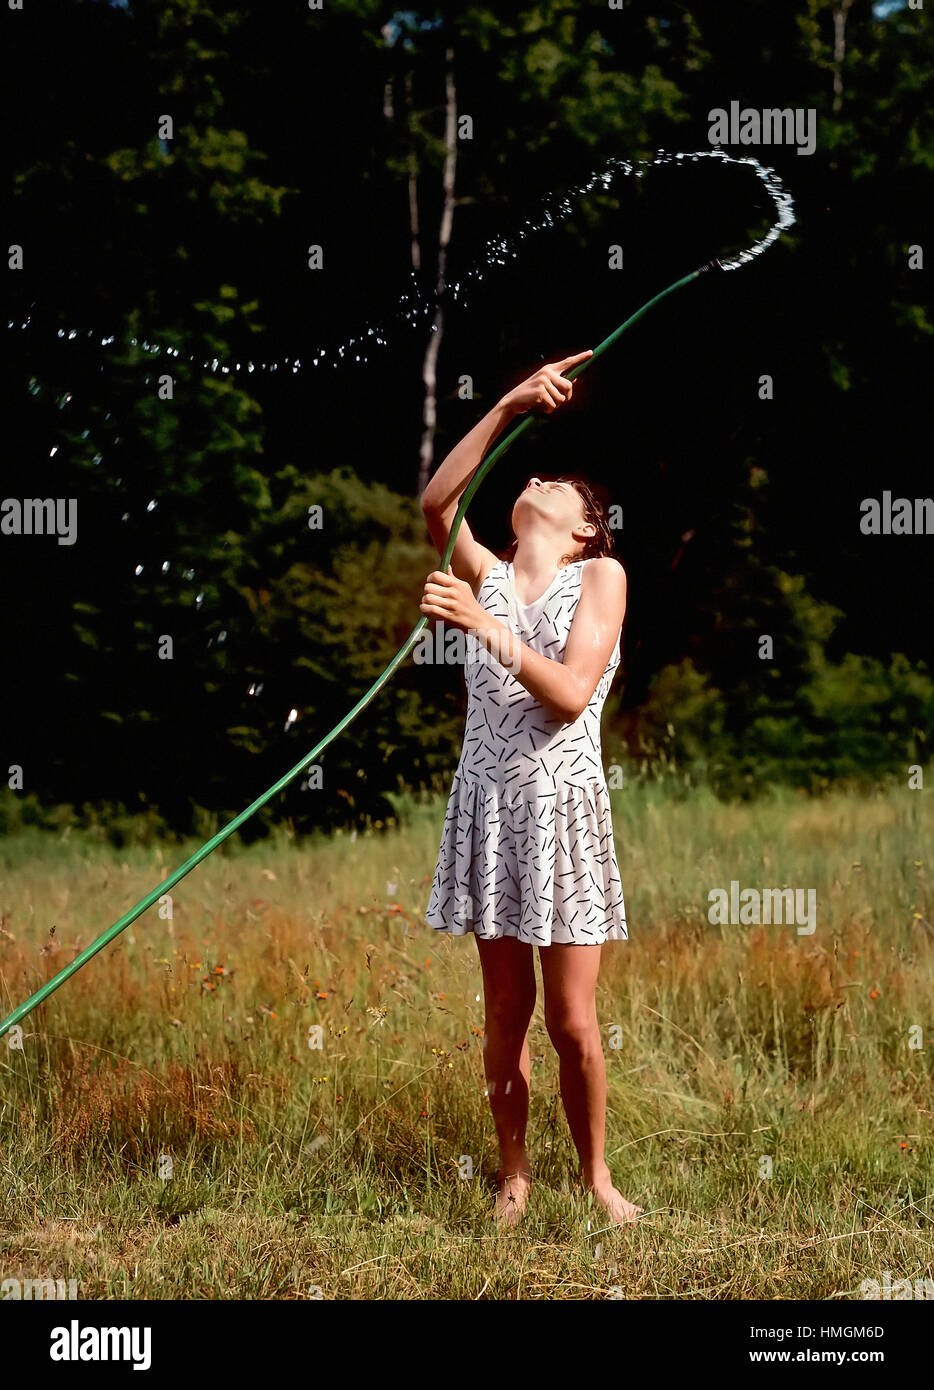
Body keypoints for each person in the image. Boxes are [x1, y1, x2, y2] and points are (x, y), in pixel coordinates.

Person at [419, 350, 642, 1228]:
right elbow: (438, 504)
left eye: (559, 483)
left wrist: (483, 625)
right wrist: (509, 404)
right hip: (493, 812)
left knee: (573, 1026)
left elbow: (570, 693)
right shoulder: (490, 572)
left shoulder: (602, 578)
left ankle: (596, 1179)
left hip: (564, 814)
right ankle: (514, 1174)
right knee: (505, 1018)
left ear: (587, 527)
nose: (537, 477)